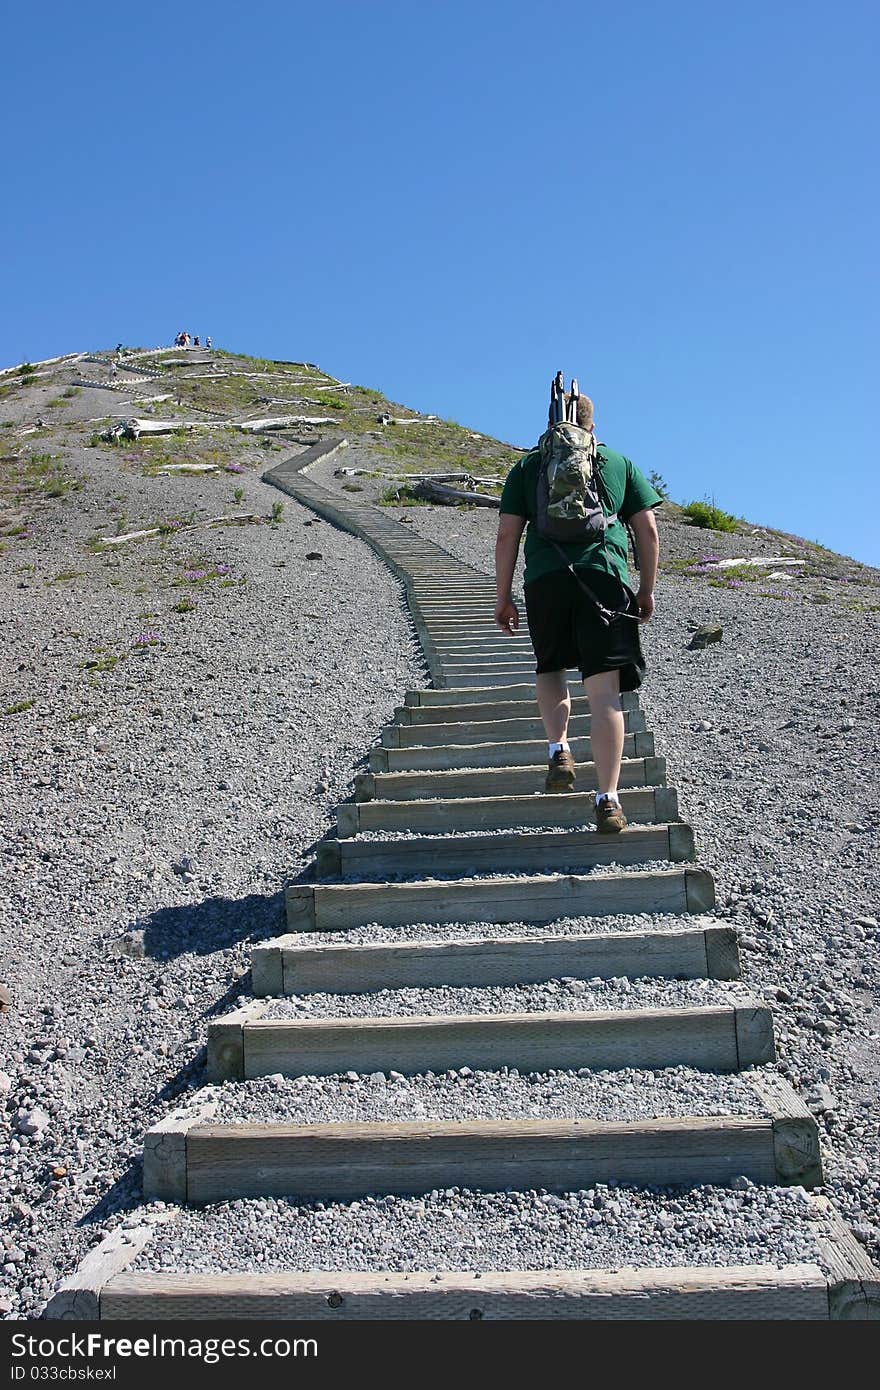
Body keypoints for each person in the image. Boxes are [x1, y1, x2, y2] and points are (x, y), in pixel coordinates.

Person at [494, 390, 661, 832]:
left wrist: (503, 596)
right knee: (604, 693)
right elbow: (647, 530)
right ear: (593, 423)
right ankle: (608, 799)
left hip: (546, 581)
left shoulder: (528, 467)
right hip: (604, 579)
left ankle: (559, 749)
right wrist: (645, 590)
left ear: (550, 420)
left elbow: (506, 536)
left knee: (551, 667)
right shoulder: (617, 463)